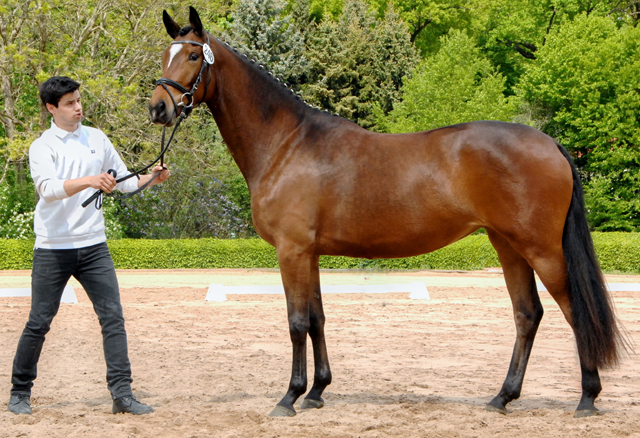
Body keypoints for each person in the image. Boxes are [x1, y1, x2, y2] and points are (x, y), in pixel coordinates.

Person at [7, 76, 171, 415]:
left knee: (113, 318)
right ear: (52, 108)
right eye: (69, 103)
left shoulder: (97, 138)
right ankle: (19, 392)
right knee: (39, 321)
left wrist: (151, 177)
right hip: (52, 248)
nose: (78, 107)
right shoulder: (42, 146)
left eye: (78, 100)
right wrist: (89, 180)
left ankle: (122, 395)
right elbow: (48, 189)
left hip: (94, 246)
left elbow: (124, 183)